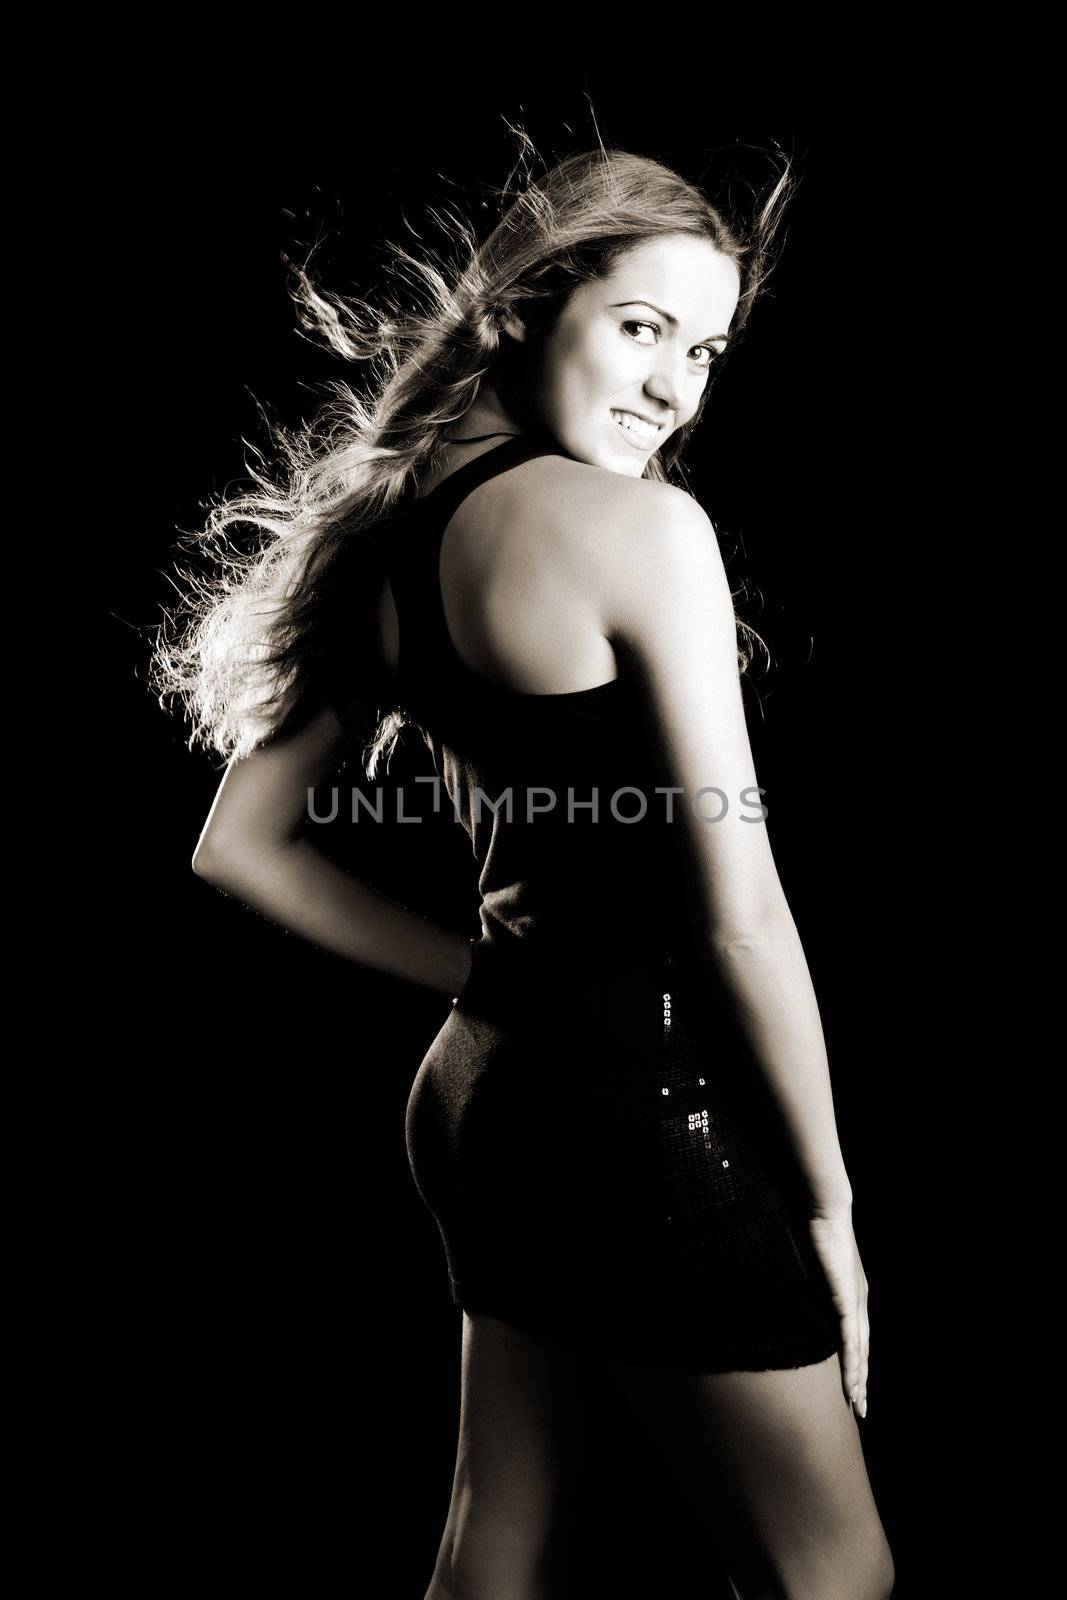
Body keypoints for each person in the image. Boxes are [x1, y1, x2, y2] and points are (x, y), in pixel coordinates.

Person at [152, 143, 895, 1599]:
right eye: (641, 329)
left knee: (496, 1542)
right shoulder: (643, 531)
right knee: (836, 1574)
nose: (677, 388)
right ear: (521, 308)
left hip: (479, 1103)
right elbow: (741, 920)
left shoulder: (386, 543)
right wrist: (830, 1205)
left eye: (707, 349)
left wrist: (488, 985)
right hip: (646, 1121)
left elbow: (235, 844)